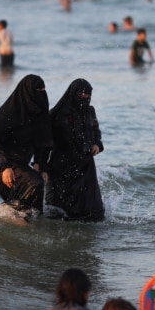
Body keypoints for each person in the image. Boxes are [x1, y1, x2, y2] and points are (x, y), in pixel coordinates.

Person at [0, 74, 52, 213]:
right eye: (38, 91)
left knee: (35, 206)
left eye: (43, 90)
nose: (42, 94)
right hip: (4, 164)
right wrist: (5, 167)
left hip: (22, 165)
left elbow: (43, 141)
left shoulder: (40, 114)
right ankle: (14, 218)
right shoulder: (9, 112)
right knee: (35, 182)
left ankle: (25, 222)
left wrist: (40, 164)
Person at [46, 79, 104, 222]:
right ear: (73, 94)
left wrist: (97, 144)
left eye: (88, 96)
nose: (85, 100)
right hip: (62, 165)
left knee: (91, 211)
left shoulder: (90, 111)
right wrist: (40, 165)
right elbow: (45, 142)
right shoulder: (57, 114)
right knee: (58, 211)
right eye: (82, 96)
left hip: (85, 165)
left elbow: (96, 133)